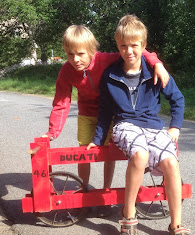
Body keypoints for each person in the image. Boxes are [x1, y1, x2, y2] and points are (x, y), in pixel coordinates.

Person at [87, 15, 195, 235]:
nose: (129, 51)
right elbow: (105, 111)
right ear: (118, 46)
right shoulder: (110, 76)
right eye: (123, 46)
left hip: (153, 126)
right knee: (139, 154)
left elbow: (177, 99)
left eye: (134, 45)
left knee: (171, 161)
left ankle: (176, 226)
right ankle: (128, 216)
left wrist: (175, 127)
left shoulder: (155, 72)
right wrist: (97, 140)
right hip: (125, 125)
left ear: (143, 46)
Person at [43, 25, 169, 217]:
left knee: (108, 152)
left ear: (92, 50)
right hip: (86, 113)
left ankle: (106, 191)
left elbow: (135, 50)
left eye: (80, 54)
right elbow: (61, 102)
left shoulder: (105, 59)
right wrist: (52, 132)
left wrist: (156, 63)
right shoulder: (66, 71)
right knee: (83, 152)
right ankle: (83, 192)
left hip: (110, 112)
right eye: (69, 54)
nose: (75, 60)